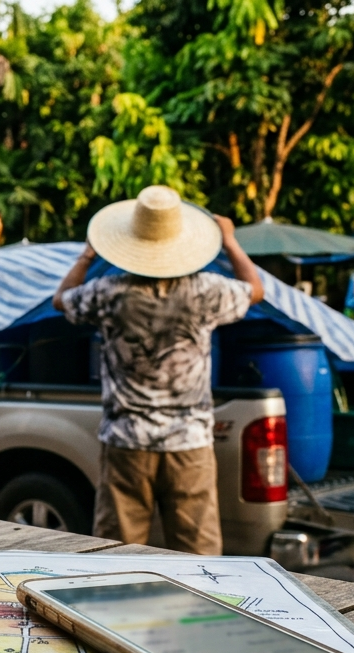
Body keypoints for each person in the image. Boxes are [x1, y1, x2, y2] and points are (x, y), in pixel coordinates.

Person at [52, 185, 264, 556]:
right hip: (190, 444)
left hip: (126, 442)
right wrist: (229, 242)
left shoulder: (109, 293)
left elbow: (61, 299)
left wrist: (88, 254)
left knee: (118, 552)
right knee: (198, 556)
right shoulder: (205, 291)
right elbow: (254, 290)